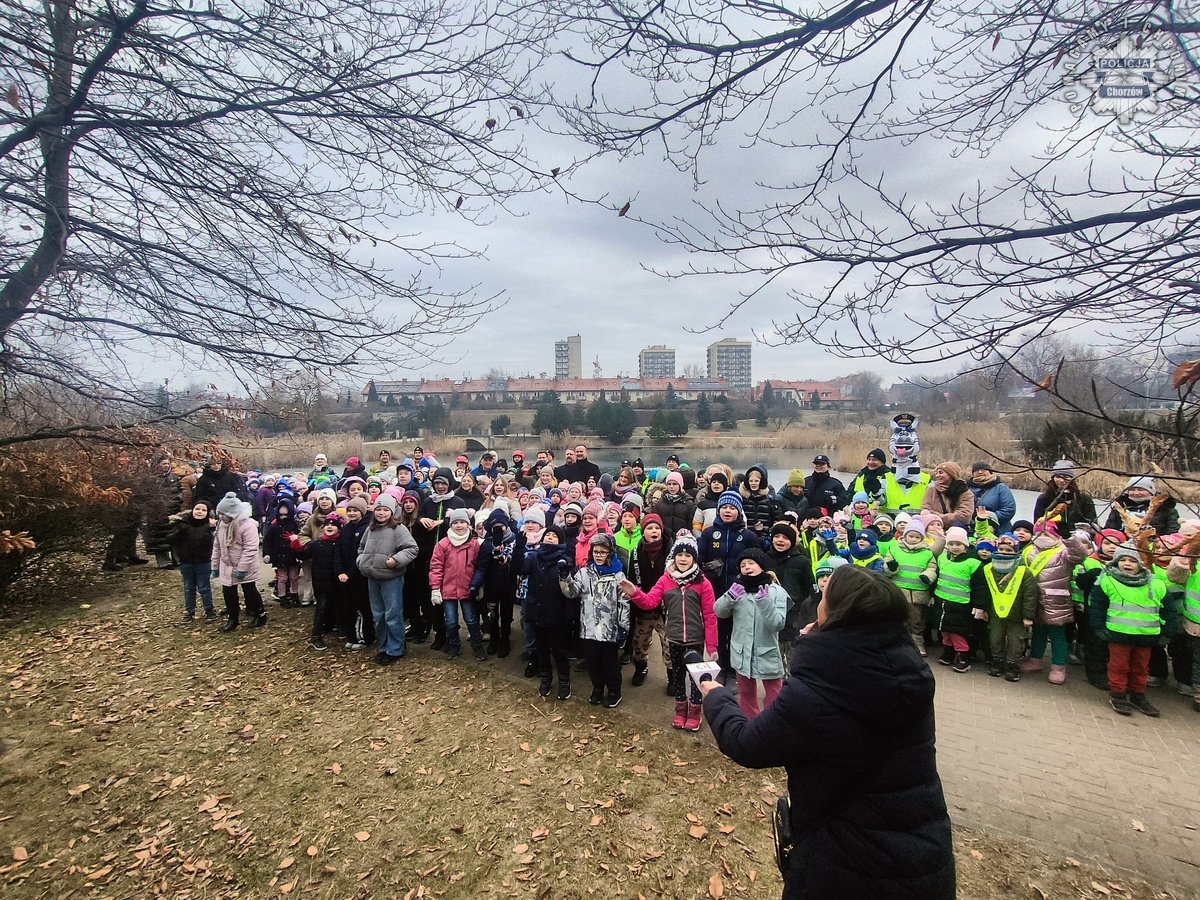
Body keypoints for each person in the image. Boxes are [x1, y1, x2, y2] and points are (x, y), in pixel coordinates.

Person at [700, 565, 956, 900]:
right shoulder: (910, 668)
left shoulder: (820, 689)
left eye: (825, 594)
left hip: (847, 860)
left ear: (835, 611)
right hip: (923, 854)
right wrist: (821, 642)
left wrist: (716, 696)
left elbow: (747, 743)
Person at [620, 534, 717, 731]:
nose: (683, 559)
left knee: (695, 678)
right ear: (673, 558)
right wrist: (634, 593)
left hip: (695, 639)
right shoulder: (666, 580)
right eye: (679, 555)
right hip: (673, 638)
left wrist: (712, 645)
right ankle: (680, 710)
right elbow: (650, 602)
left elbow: (710, 615)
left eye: (687, 555)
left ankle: (695, 711)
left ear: (694, 559)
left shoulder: (703, 583)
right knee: (678, 676)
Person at [1090, 543, 1176, 717]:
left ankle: (1138, 695)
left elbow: (1168, 610)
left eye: (1132, 561)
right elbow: (1097, 606)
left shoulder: (1156, 584)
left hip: (1146, 636)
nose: (1127, 564)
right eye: (1123, 560)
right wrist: (1098, 627)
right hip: (1118, 633)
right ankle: (1118, 694)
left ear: (1142, 563)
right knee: (1118, 666)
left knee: (1141, 668)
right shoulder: (1107, 580)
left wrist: (1168, 632)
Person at [715, 548, 789, 719]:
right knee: (746, 692)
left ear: (762, 566)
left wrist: (765, 603)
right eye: (743, 565)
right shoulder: (737, 590)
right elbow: (719, 611)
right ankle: (751, 724)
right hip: (741, 652)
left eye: (751, 563)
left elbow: (778, 624)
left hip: (767, 652)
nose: (747, 567)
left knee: (774, 692)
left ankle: (772, 724)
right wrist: (730, 596)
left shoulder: (776, 591)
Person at [559, 532, 629, 708]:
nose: (599, 555)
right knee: (593, 662)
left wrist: (623, 627)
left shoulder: (618, 576)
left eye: (603, 552)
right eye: (596, 552)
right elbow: (571, 592)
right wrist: (565, 576)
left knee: (610, 664)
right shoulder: (584, 573)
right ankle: (597, 688)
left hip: (609, 630)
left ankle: (614, 691)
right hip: (588, 628)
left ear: (610, 553)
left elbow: (624, 603)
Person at [356, 494, 419, 665]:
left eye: (385, 510)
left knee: (392, 613)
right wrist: (361, 560)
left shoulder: (398, 529)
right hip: (372, 577)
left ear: (392, 512)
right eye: (378, 509)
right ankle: (383, 646)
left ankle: (396, 648)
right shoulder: (370, 530)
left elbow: (412, 548)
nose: (381, 513)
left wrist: (395, 561)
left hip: (391, 577)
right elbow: (361, 548)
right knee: (378, 615)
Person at [973, 533, 1037, 681]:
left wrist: (1028, 616)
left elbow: (1030, 595)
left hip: (1017, 615)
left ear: (1016, 552)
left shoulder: (1024, 571)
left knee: (1016, 641)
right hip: (995, 613)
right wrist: (984, 609)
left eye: (1009, 550)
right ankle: (997, 662)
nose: (1004, 552)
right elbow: (985, 592)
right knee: (995, 639)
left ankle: (1013, 665)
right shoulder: (988, 568)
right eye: (1001, 549)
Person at [523, 524, 576, 700]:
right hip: (537, 612)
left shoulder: (564, 560)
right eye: (548, 535)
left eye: (554, 536)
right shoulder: (534, 557)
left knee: (559, 650)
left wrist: (568, 614)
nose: (550, 537)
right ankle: (545, 677)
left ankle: (564, 680)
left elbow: (569, 589)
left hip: (556, 614)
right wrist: (517, 549)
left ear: (560, 541)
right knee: (542, 649)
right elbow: (520, 570)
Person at [430, 508, 485, 661]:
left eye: (462, 522)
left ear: (468, 524)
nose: (459, 525)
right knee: (451, 621)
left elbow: (478, 566)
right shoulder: (443, 544)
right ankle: (454, 645)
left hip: (467, 588)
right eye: (456, 523)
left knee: (471, 619)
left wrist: (479, 585)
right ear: (451, 525)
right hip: (448, 589)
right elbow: (436, 567)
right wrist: (435, 588)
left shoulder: (474, 544)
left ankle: (477, 646)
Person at [210, 491, 267, 632]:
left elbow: (250, 549)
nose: (221, 517)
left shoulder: (247, 526)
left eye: (224, 514)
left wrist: (241, 568)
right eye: (220, 514)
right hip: (227, 565)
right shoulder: (221, 525)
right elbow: (217, 546)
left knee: (250, 591)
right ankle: (233, 618)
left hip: (245, 566)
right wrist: (215, 565)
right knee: (228, 592)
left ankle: (260, 614)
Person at [165, 499, 217, 623]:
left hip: (203, 562)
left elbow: (210, 542)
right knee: (188, 588)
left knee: (204, 587)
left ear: (208, 513)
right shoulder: (183, 524)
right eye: (197, 509)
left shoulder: (210, 527)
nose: (200, 512)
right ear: (192, 510)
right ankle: (189, 611)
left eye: (204, 510)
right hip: (186, 562)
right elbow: (169, 539)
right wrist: (179, 531)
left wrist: (209, 529)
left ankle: (209, 610)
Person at [1032, 459, 1096, 532]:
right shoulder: (1044, 498)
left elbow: (1092, 522)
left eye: (1066, 476)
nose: (1062, 480)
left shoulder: (1083, 498)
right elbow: (1037, 523)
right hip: (1050, 535)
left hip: (1078, 536)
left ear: (1072, 478)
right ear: (1053, 478)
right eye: (1058, 477)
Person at [1104, 476, 1179, 536]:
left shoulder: (1165, 508)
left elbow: (1173, 533)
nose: (1136, 493)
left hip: (1155, 547)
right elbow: (1109, 530)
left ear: (1151, 491)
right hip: (1122, 546)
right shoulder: (1119, 507)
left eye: (1140, 489)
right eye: (1132, 489)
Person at [921, 462, 974, 528]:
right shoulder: (931, 490)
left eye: (940, 472)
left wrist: (935, 518)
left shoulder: (965, 493)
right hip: (933, 529)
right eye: (936, 473)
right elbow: (925, 511)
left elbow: (964, 516)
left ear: (951, 474)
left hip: (957, 530)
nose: (937, 475)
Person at [968, 462, 1017, 534]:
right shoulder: (966, 488)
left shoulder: (1001, 488)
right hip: (971, 530)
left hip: (998, 530)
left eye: (984, 470)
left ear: (990, 472)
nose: (980, 472)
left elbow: (1009, 510)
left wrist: (987, 517)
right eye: (976, 470)